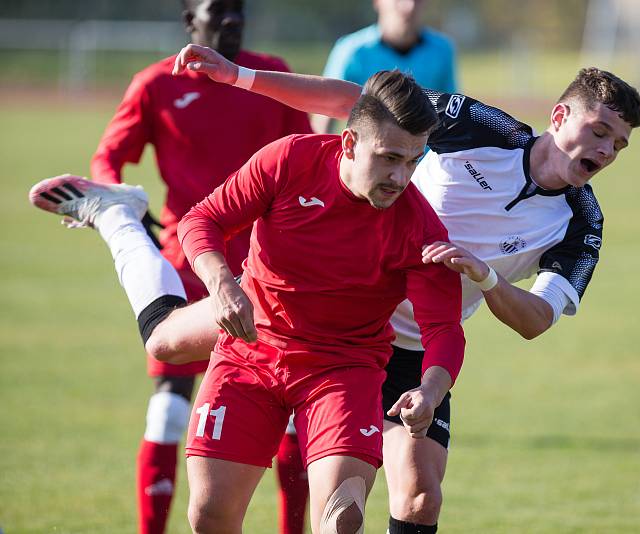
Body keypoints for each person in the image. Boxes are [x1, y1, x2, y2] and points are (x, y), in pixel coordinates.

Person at [168, 44, 640, 534]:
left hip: (411, 344)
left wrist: (485, 276)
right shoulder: (484, 129)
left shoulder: (581, 221)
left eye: (619, 144)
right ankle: (119, 220)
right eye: (600, 131)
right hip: (320, 302)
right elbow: (358, 104)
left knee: (418, 496)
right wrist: (238, 76)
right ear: (560, 115)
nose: (606, 150)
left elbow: (537, 319)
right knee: (165, 342)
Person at [30, 70, 466, 534]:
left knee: (341, 518)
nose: (401, 177)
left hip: (342, 370)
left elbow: (444, 330)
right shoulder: (290, 160)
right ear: (349, 143)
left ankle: (118, 216)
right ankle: (120, 217)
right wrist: (222, 285)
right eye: (389, 159)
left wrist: (431, 391)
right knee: (209, 513)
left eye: (414, 162)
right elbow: (203, 220)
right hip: (251, 351)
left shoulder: (420, 228)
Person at [88, 1, 312, 532]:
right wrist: (125, 205)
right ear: (191, 22)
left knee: (292, 409)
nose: (232, 20)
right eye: (219, 10)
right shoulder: (155, 84)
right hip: (188, 268)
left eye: (239, 10)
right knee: (169, 408)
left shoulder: (272, 76)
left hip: (270, 272)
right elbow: (106, 158)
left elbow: (307, 153)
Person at [316, 0, 457, 133]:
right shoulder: (350, 50)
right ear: (378, 2)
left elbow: (451, 112)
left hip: (425, 157)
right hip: (367, 156)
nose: (409, 6)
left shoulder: (442, 49)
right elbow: (324, 115)